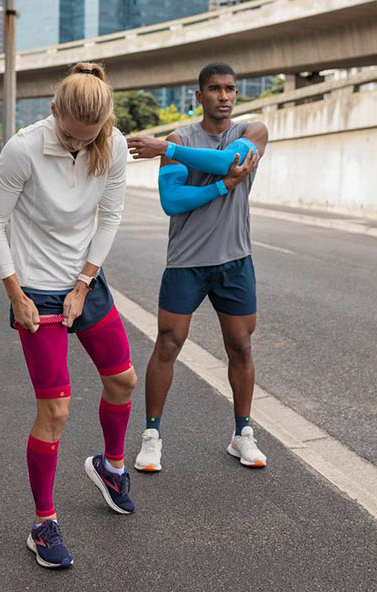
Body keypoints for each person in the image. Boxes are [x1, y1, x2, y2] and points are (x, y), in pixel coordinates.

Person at [0, 62, 135, 570]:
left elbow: (109, 216)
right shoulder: (24, 148)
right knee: (57, 411)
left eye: (86, 139)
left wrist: (85, 281)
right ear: (54, 113)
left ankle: (112, 468)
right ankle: (43, 524)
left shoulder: (109, 147)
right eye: (69, 136)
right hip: (36, 292)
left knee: (124, 380)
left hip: (83, 282)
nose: (76, 146)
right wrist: (16, 294)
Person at [124, 62, 268, 472]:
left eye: (230, 89)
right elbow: (173, 201)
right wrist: (223, 186)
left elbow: (234, 161)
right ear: (199, 96)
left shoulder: (252, 132)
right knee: (168, 343)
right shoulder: (181, 135)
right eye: (215, 89)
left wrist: (166, 151)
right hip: (186, 262)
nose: (224, 96)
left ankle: (242, 434)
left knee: (240, 346)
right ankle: (152, 436)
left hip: (235, 260)